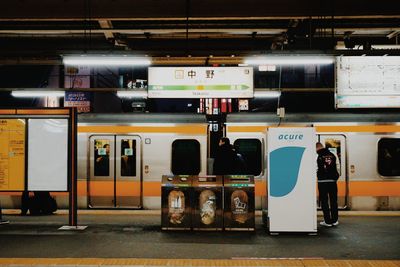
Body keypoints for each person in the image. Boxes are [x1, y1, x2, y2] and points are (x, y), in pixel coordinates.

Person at [316, 142, 340, 227]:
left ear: (317, 148)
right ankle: (335, 220)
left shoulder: (317, 156)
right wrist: (335, 178)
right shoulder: (333, 155)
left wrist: (319, 177)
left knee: (324, 201)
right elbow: (338, 167)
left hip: (322, 182)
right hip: (332, 182)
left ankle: (327, 221)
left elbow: (316, 168)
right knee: (333, 201)